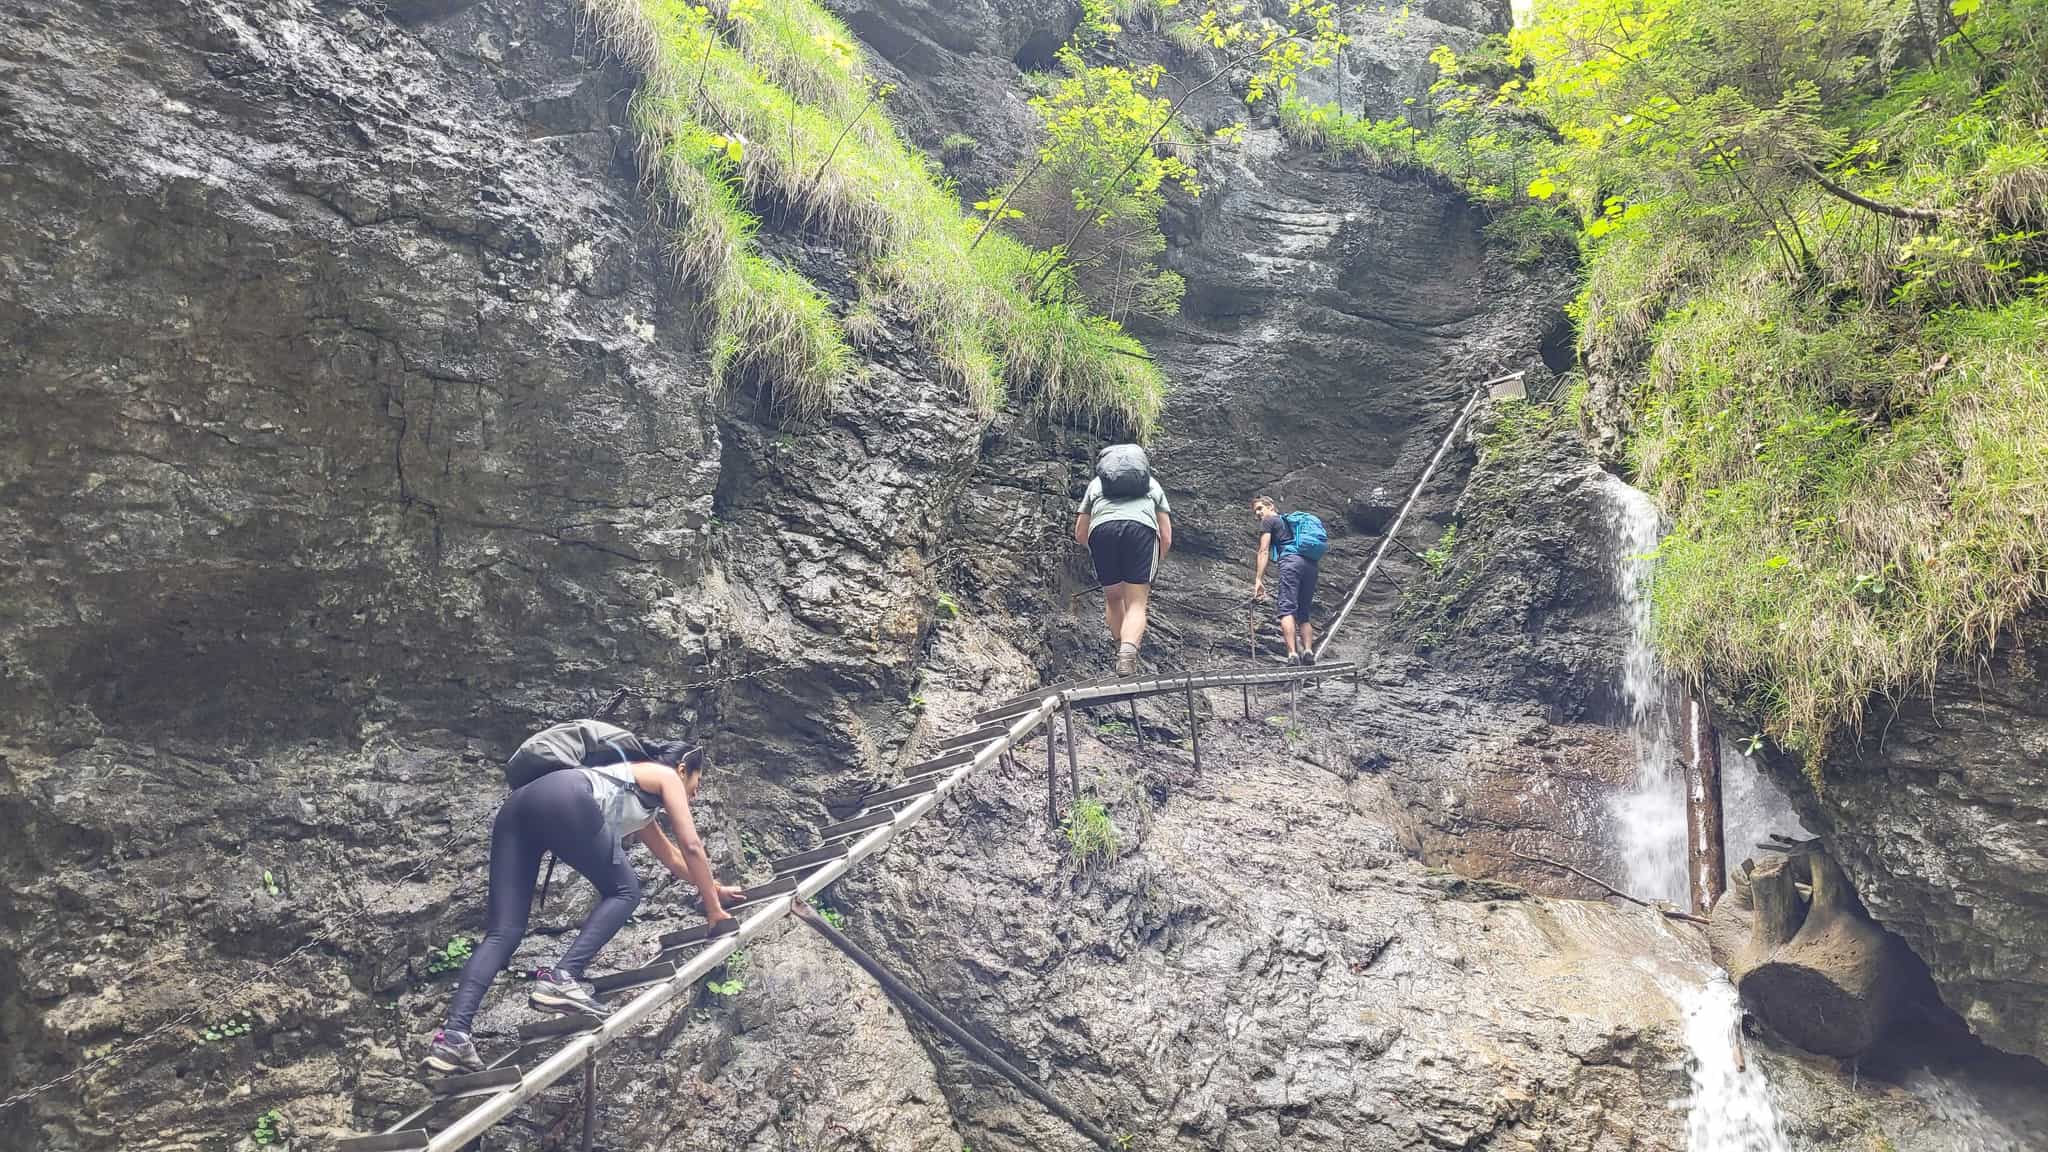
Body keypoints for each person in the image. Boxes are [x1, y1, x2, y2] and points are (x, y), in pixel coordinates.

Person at [420, 721, 741, 1075]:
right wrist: (714, 912)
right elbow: (692, 845)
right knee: (625, 891)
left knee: (504, 932)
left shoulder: (635, 794)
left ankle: (454, 1038)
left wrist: (712, 888)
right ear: (683, 769)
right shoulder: (664, 777)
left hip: (520, 807)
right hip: (565, 797)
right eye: (697, 782)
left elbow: (676, 860)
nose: (695, 793)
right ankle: (562, 979)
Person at [1074, 444, 1173, 676]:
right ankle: (1128, 656)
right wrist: (1155, 560)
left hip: (1102, 533)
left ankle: (1120, 646)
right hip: (1141, 532)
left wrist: (1097, 548)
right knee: (1137, 601)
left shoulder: (1096, 484)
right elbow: (1166, 535)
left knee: (1113, 598)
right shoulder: (1151, 483)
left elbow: (1080, 532)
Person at [1250, 495, 1327, 665]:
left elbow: (1263, 550)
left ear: (1271, 506)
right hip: (1310, 565)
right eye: (1256, 512)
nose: (1258, 514)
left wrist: (1258, 579)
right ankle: (1308, 651)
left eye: (1260, 508)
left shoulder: (1269, 521)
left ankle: (1292, 654)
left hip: (1291, 562)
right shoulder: (1291, 523)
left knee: (1287, 609)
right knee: (1304, 614)